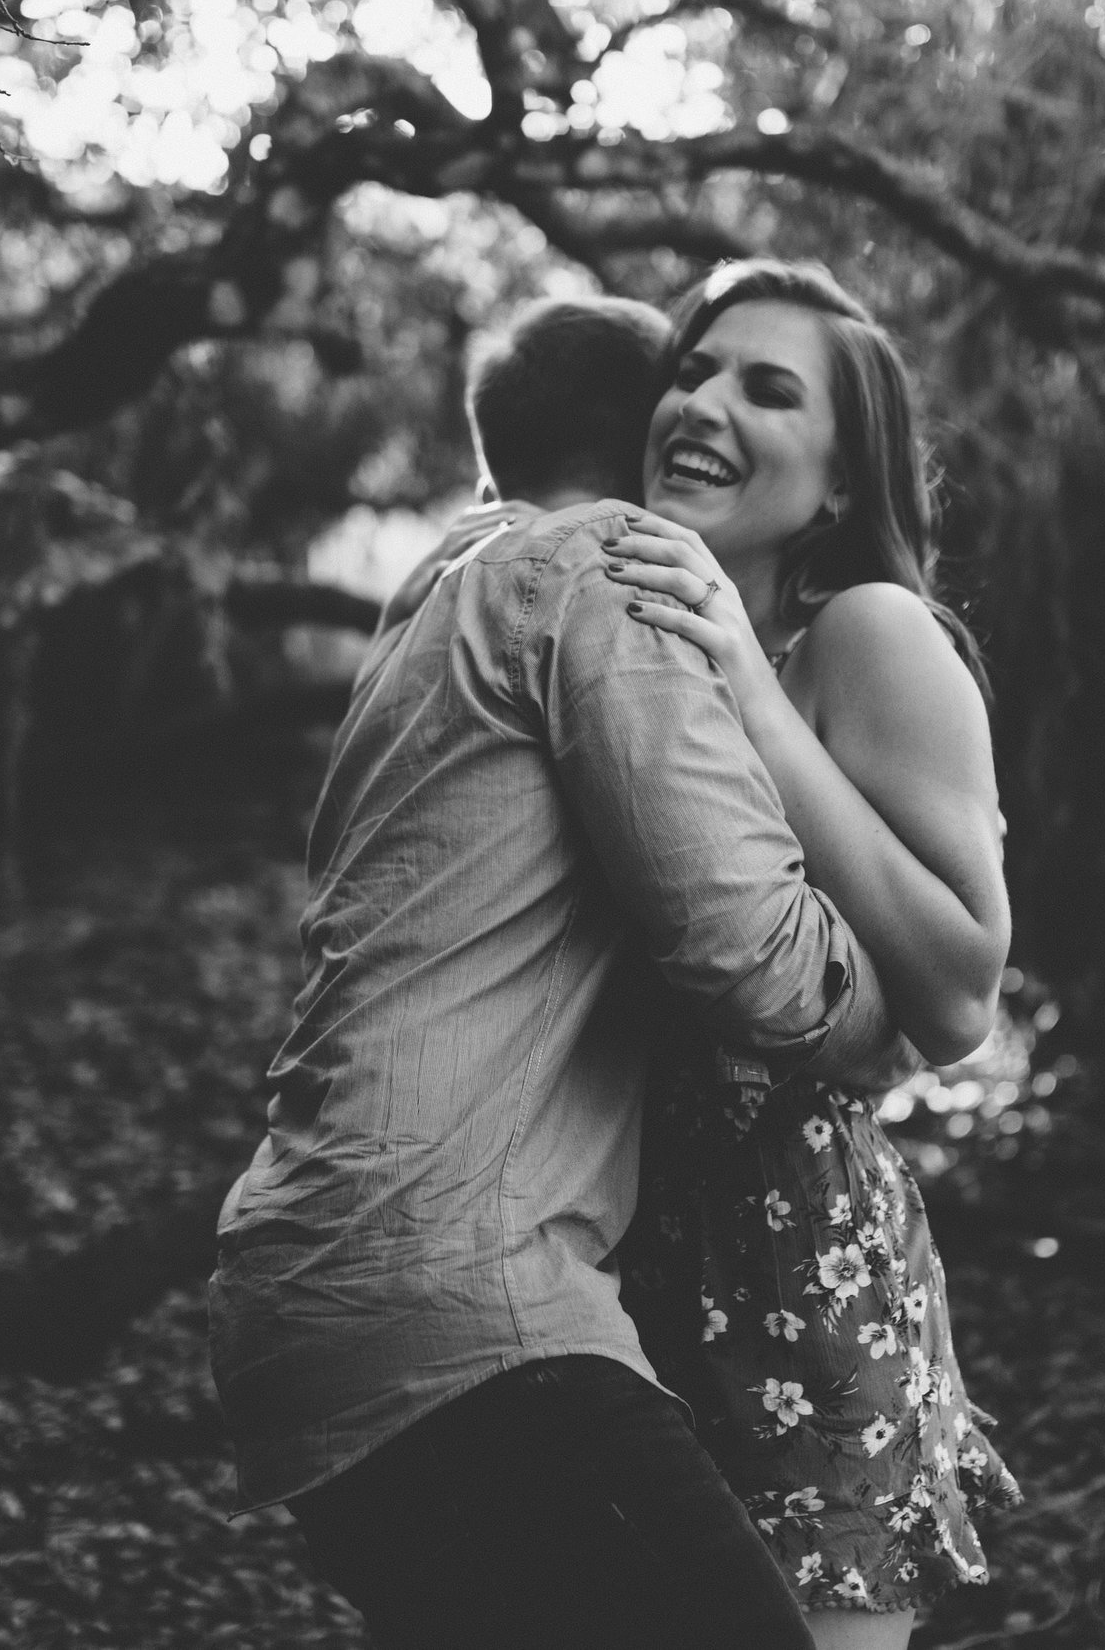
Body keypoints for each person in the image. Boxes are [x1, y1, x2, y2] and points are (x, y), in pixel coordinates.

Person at [208, 295, 914, 1650]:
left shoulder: (443, 580)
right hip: (459, 1303)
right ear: (647, 432)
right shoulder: (601, 567)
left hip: (308, 1291)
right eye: (696, 387)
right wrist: (904, 1007)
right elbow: (755, 958)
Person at [604, 259, 1022, 1649]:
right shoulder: (629, 630)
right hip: (610, 1263)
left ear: (842, 486)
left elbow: (962, 991)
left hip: (793, 1275)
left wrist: (750, 684)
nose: (703, 403)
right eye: (694, 370)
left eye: (766, 389)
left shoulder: (865, 633)